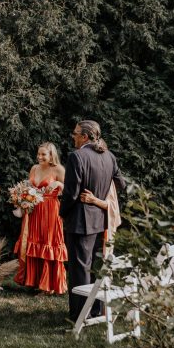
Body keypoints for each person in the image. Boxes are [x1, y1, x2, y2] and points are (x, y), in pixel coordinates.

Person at [60, 120, 125, 323]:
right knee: (97, 268)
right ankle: (97, 310)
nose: (73, 136)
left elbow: (71, 193)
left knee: (79, 269)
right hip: (102, 221)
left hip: (80, 222)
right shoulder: (109, 156)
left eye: (76, 133)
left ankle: (80, 315)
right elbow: (121, 185)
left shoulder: (76, 157)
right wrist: (100, 199)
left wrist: (62, 212)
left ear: (85, 136)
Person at [13, 142, 68, 295]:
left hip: (51, 211)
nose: (40, 157)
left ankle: (48, 285)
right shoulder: (34, 168)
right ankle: (34, 280)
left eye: (43, 154)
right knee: (34, 242)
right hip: (33, 210)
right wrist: (21, 196)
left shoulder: (58, 169)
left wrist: (57, 183)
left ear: (51, 155)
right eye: (38, 154)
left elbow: (69, 190)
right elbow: (28, 187)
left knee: (47, 242)